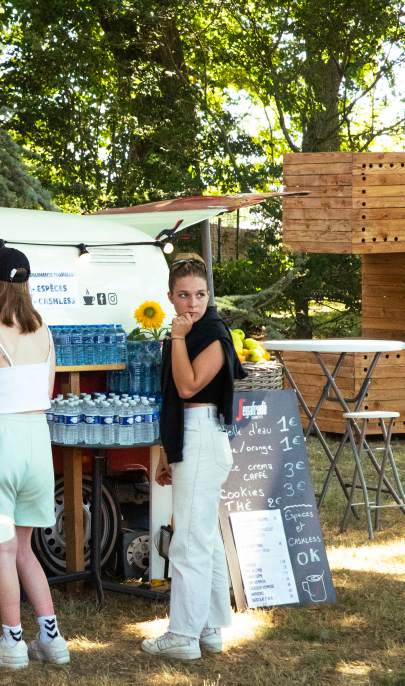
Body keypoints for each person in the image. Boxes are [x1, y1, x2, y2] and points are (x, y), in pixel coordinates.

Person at [0, 246, 68, 668]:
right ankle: (51, 638)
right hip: (37, 441)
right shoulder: (44, 331)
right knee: (25, 549)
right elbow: (47, 393)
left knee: (2, 551)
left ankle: (13, 641)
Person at [142, 253, 245, 660]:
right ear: (170, 296)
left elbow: (187, 388)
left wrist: (179, 337)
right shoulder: (189, 331)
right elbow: (177, 399)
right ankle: (208, 628)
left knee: (188, 540)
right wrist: (170, 452)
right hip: (192, 437)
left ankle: (183, 635)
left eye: (200, 294)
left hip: (202, 435)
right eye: (184, 295)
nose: (193, 303)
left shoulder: (213, 333)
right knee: (204, 538)